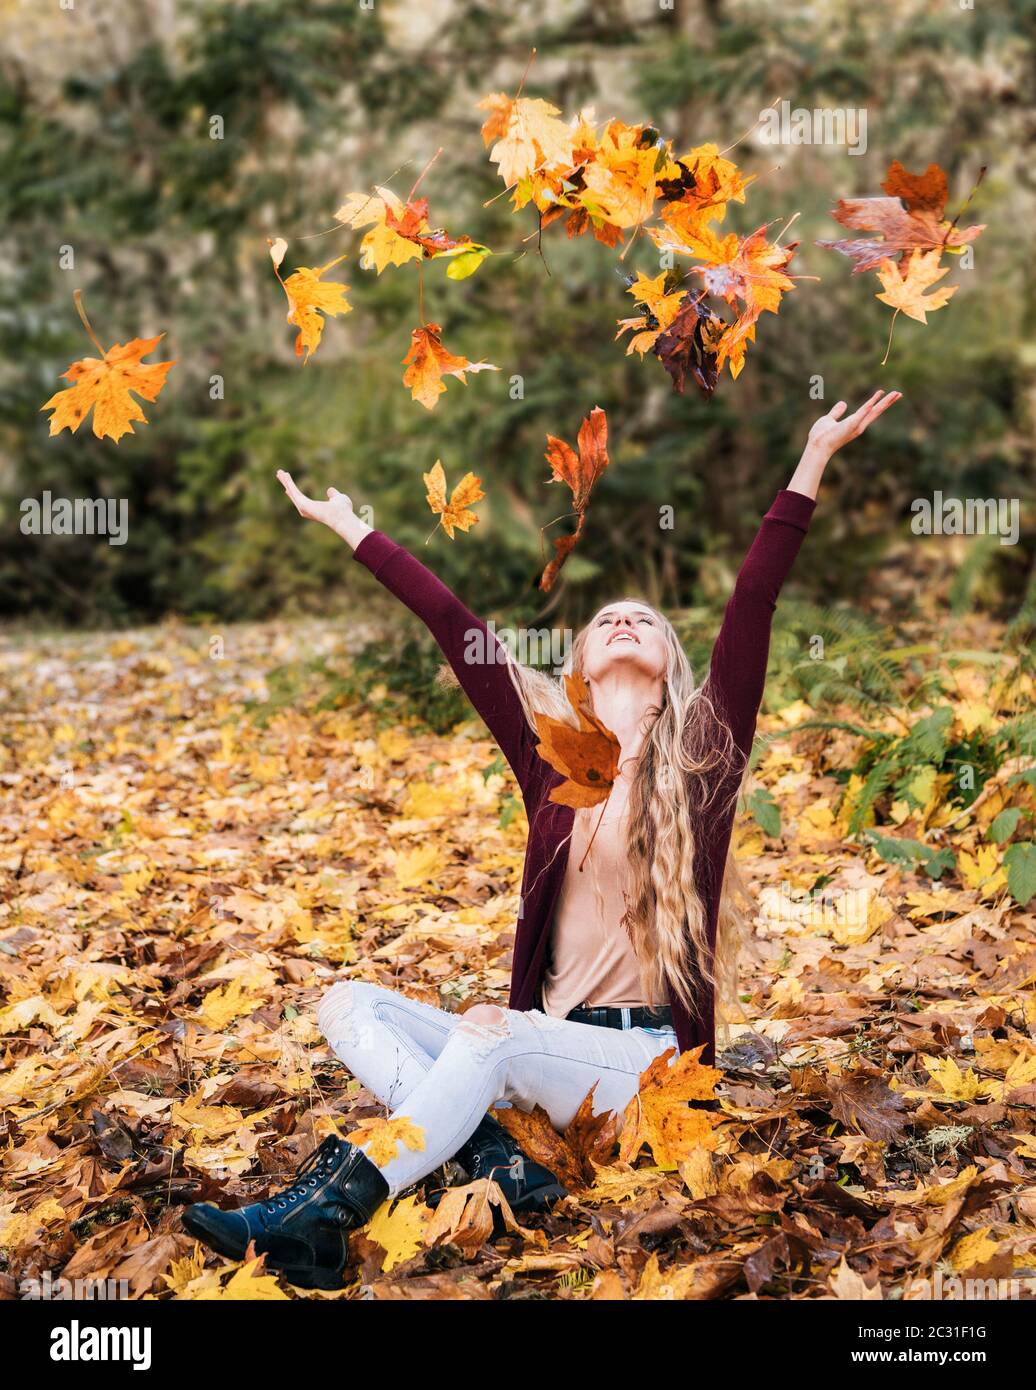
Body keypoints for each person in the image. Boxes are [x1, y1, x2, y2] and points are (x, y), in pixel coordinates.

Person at [182, 390, 901, 1288]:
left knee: (493, 1038)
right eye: (605, 619)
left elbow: (753, 602)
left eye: (646, 619)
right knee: (350, 1005)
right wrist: (354, 530)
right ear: (581, 664)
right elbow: (456, 628)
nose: (625, 621)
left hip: (646, 1064)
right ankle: (500, 1162)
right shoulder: (550, 759)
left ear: (673, 661)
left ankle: (333, 1210)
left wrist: (811, 463)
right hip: (544, 1048)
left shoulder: (703, 761)